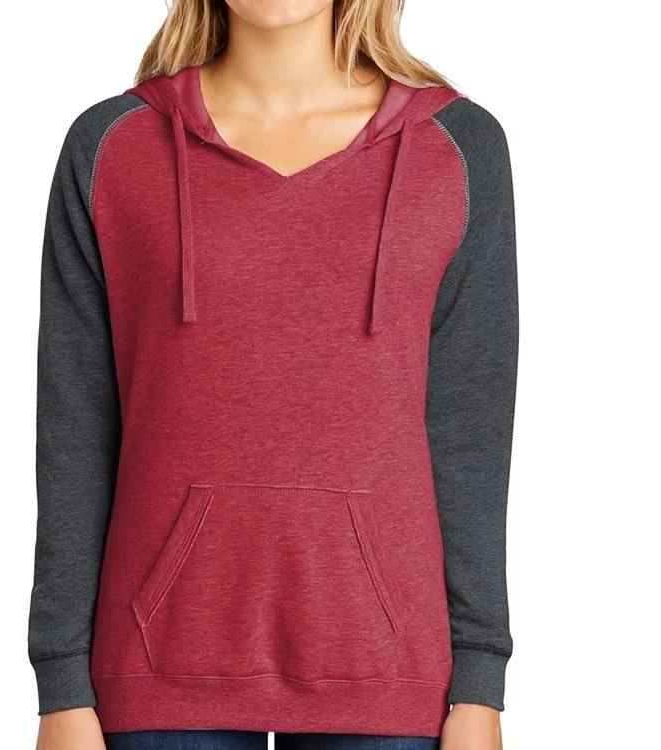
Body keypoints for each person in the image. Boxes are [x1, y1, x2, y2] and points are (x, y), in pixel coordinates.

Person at [29, 1, 518, 748]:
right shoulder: (113, 146)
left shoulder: (455, 148)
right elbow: (74, 430)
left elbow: (470, 437)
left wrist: (480, 682)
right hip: (155, 675)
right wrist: (61, 683)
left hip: (391, 677)